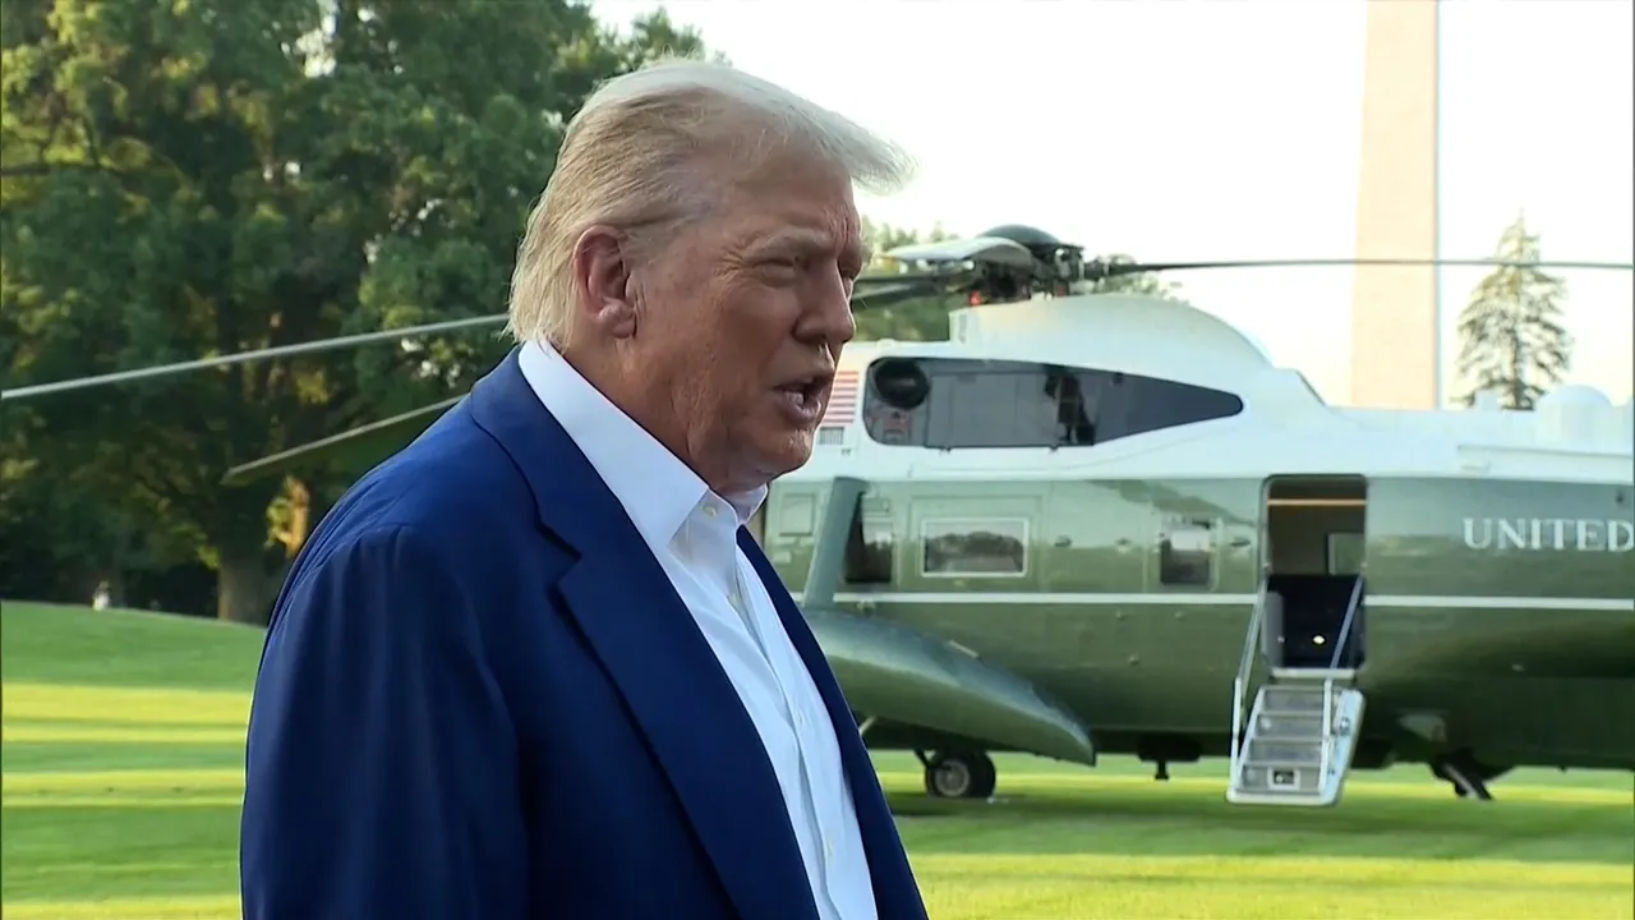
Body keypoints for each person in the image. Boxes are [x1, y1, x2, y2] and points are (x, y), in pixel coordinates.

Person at [238, 58, 926, 920]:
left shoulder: (712, 543)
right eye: (788, 265)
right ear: (612, 281)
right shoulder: (415, 565)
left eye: (845, 272)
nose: (836, 318)